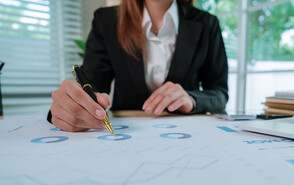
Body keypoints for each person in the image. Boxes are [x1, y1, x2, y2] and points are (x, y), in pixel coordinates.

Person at [48, 0, 228, 132]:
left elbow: (219, 92)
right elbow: (92, 85)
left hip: (187, 131)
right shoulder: (106, 20)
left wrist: (192, 99)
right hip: (126, 131)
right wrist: (75, 105)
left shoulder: (207, 23)